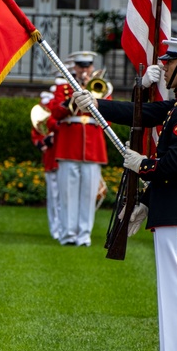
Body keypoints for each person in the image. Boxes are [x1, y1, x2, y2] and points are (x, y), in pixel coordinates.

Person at [76, 39, 177, 351]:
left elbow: (176, 163)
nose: (163, 68)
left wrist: (144, 167)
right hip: (176, 198)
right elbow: (142, 114)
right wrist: (97, 103)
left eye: (169, 63)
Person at [47, 51, 109, 246]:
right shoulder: (63, 87)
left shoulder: (100, 86)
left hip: (93, 146)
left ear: (92, 67)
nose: (84, 70)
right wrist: (71, 100)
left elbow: (108, 116)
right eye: (81, 66)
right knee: (67, 194)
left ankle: (84, 235)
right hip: (68, 145)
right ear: (74, 68)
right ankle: (67, 234)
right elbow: (55, 112)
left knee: (89, 195)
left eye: (87, 66)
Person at [31, 90, 61, 240]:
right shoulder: (45, 109)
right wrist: (45, 141)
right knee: (54, 197)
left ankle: (65, 228)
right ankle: (55, 229)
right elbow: (37, 133)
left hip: (64, 157)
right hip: (51, 159)